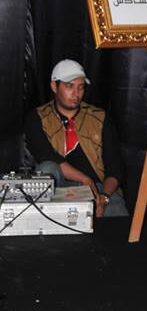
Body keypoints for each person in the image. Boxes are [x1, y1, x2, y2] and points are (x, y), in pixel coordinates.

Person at [24, 59, 127, 218]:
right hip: (58, 189)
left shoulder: (100, 117)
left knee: (118, 216)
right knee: (46, 169)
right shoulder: (37, 117)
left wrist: (103, 198)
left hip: (98, 188)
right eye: (69, 86)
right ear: (54, 86)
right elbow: (46, 155)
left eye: (80, 87)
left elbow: (115, 169)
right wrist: (84, 179)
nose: (76, 93)